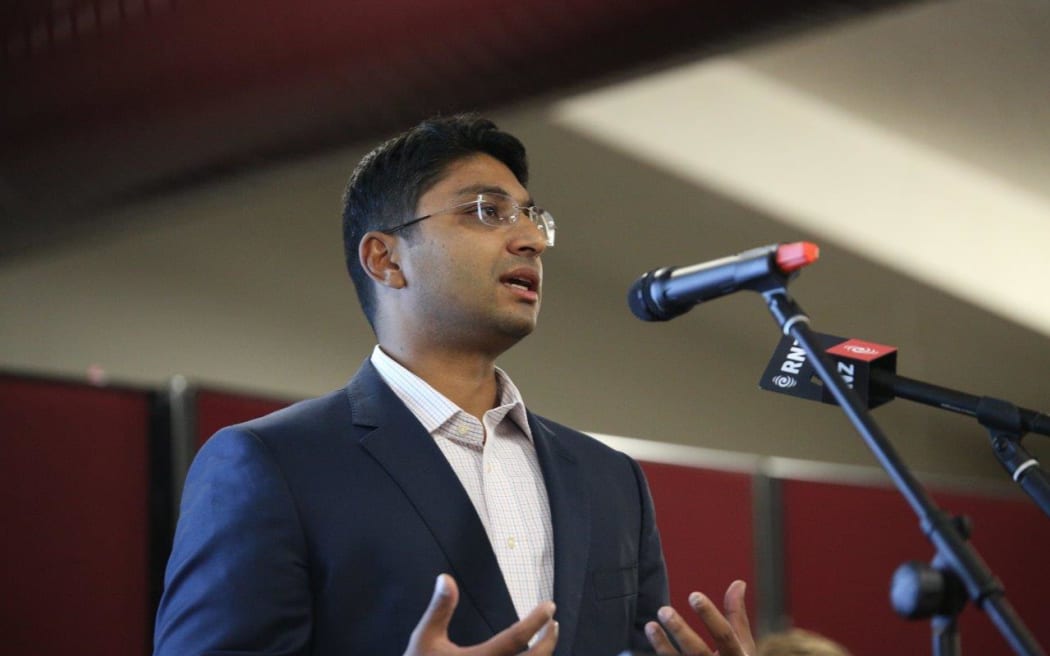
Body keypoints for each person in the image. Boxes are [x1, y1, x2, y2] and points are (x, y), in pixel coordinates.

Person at [152, 114, 755, 656]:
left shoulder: (610, 479)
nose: (532, 239)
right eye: (487, 211)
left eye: (531, 216)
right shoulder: (271, 464)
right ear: (386, 259)